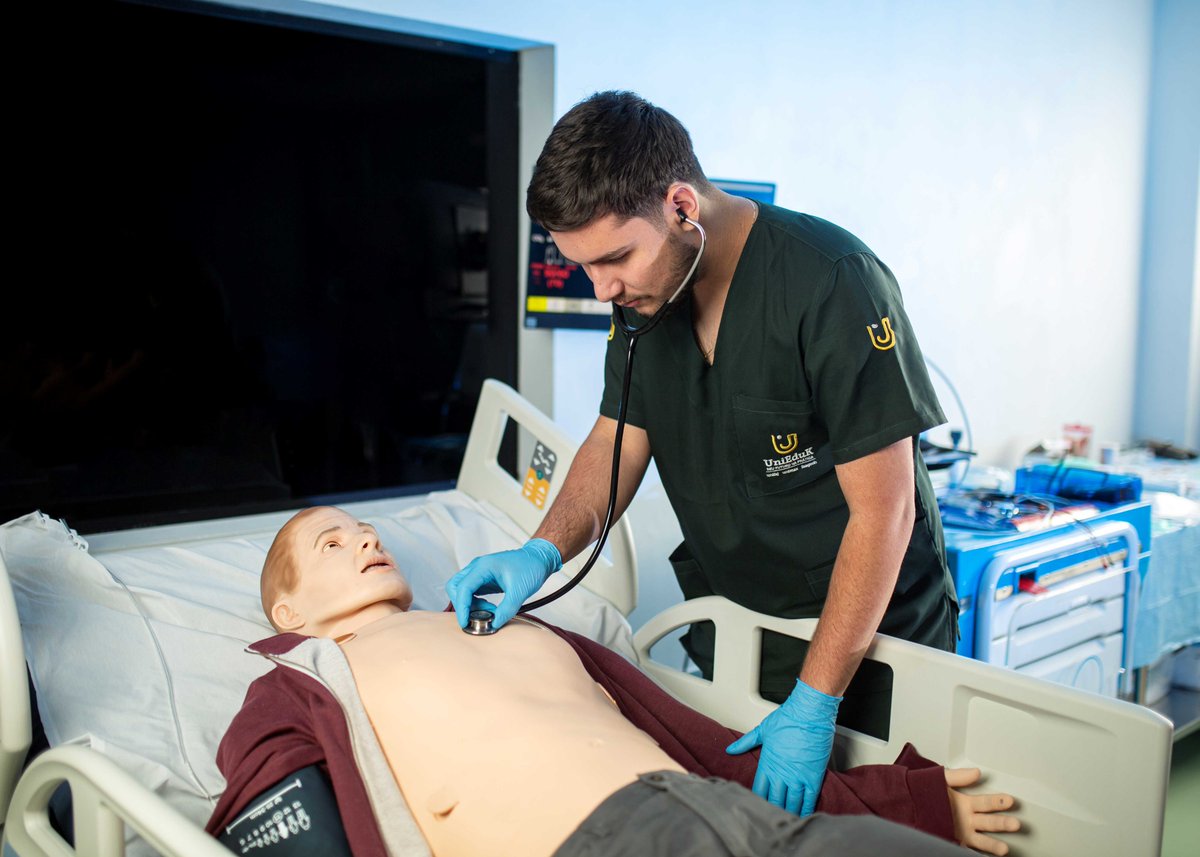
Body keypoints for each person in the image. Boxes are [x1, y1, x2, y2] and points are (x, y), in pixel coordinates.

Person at [447, 89, 959, 817]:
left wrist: (815, 700)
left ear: (681, 204)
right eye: (584, 268)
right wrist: (540, 551)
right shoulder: (646, 298)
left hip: (871, 651)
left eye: (616, 258)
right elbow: (614, 439)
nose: (604, 290)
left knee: (896, 826)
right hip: (741, 637)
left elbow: (886, 511)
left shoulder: (831, 282)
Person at [208, 507, 1019, 857]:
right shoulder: (302, 678)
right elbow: (277, 814)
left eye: (364, 529)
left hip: (744, 820)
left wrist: (910, 801)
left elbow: (705, 746)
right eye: (330, 544)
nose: (364, 539)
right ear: (289, 606)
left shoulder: (510, 622)